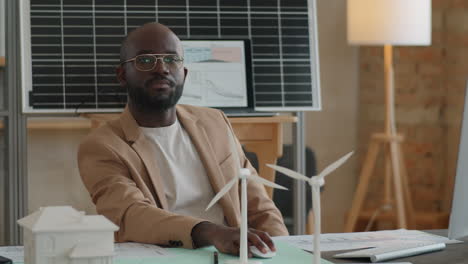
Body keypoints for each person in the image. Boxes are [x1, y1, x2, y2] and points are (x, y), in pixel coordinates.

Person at [77, 22, 288, 256]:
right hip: (162, 256)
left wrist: (286, 252)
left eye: (172, 60)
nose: (162, 68)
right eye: (145, 61)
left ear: (184, 73)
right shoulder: (102, 146)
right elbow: (131, 214)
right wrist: (212, 233)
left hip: (233, 254)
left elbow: (259, 206)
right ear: (122, 75)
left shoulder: (215, 122)